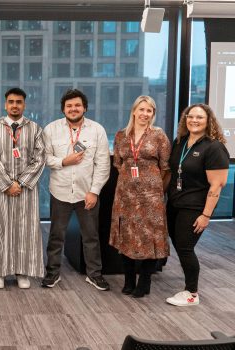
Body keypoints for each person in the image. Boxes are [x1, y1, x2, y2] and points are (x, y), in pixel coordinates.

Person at [43, 89, 111, 291]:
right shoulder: (51, 129)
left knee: (91, 236)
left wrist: (95, 191)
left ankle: (94, 274)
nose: (73, 109)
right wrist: (64, 161)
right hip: (60, 191)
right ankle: (52, 273)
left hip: (86, 193)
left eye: (77, 105)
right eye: (69, 106)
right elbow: (44, 158)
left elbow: (103, 164)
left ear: (85, 108)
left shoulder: (97, 130)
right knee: (56, 236)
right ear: (63, 109)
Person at [165, 103, 229, 306]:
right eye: (190, 116)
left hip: (194, 207)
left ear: (208, 121)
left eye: (200, 117)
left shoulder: (214, 147)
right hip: (175, 204)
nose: (194, 120)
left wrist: (206, 215)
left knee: (185, 248)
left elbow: (217, 185)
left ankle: (192, 293)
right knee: (180, 245)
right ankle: (189, 286)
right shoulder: (181, 142)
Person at [109, 96, 171, 298]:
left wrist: (151, 185)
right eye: (142, 109)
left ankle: (144, 282)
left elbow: (165, 167)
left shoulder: (158, 135)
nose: (145, 114)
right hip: (125, 195)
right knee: (126, 235)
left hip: (150, 196)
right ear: (134, 111)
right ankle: (128, 281)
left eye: (150, 111)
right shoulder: (121, 135)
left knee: (149, 237)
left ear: (153, 114)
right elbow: (118, 163)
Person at [0, 88, 45, 289]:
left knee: (24, 230)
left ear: (24, 105)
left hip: (26, 190)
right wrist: (7, 184)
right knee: (0, 228)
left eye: (19, 102)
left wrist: (20, 183)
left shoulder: (35, 128)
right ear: (5, 104)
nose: (14, 105)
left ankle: (22, 272)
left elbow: (40, 159)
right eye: (11, 102)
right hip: (1, 189)